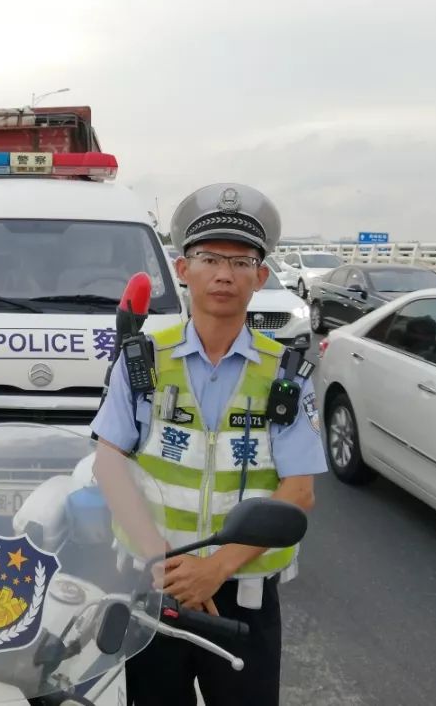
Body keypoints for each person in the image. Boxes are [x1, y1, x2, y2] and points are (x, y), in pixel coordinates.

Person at [91, 183, 327, 706]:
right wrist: (164, 563)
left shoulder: (286, 374)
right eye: (209, 258)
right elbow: (109, 464)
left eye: (242, 262)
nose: (225, 273)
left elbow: (299, 492)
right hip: (154, 587)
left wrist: (215, 569)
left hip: (242, 596)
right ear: (182, 269)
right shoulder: (142, 359)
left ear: (261, 277)